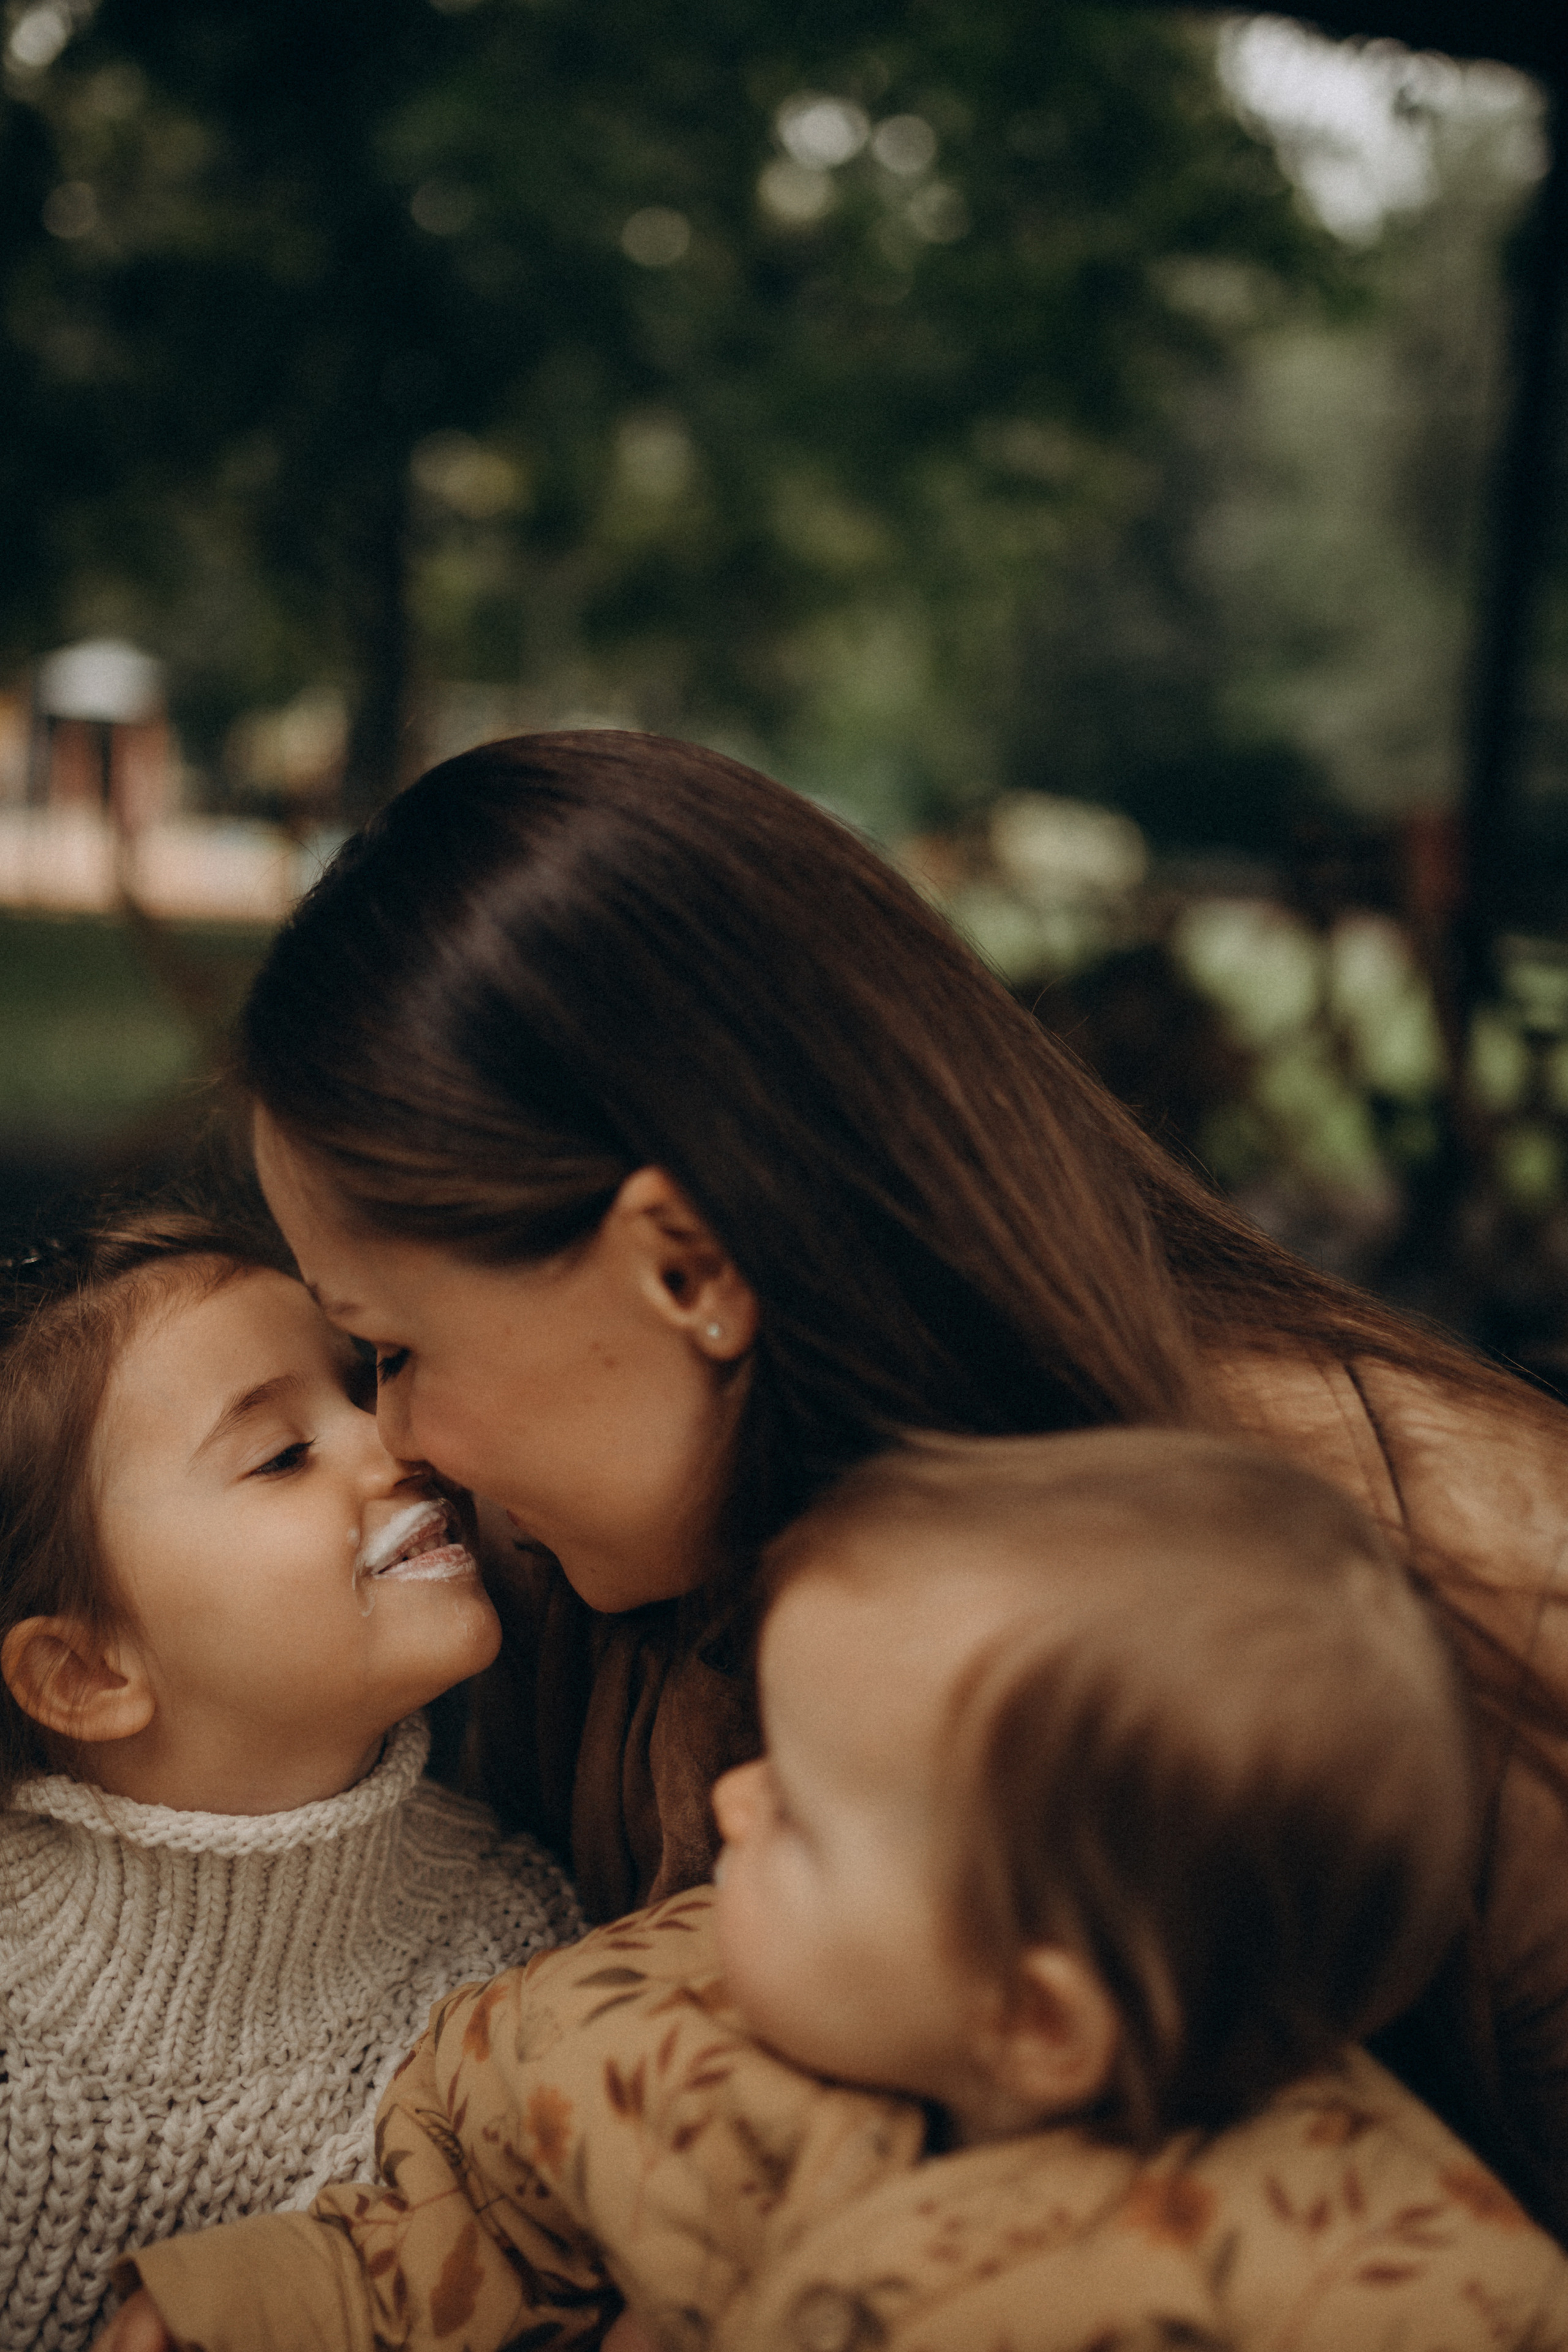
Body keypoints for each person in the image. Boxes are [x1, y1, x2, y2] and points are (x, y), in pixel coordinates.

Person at [235, 728, 1568, 2233]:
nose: (395, 1439)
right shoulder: (579, 1578)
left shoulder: (1454, 1572)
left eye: (391, 1345)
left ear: (681, 1266)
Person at [98, 1431, 1568, 2352]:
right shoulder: (653, 2020)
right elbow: (465, 2209)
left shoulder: (1387, 2293)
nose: (728, 1806)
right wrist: (254, 2306)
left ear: (1033, 2019)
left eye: (796, 1812)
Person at [0, 1211, 582, 2352]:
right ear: (85, 1669)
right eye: (281, 1454)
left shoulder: (516, 1944)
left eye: (364, 1384)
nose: (395, 1442)